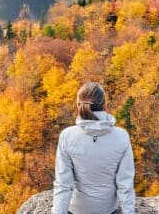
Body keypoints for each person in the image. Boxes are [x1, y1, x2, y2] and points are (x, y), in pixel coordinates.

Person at [52, 82, 135, 214]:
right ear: (105, 105)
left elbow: (63, 184)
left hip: (76, 209)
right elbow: (125, 184)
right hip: (108, 210)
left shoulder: (67, 136)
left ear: (78, 105)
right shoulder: (121, 137)